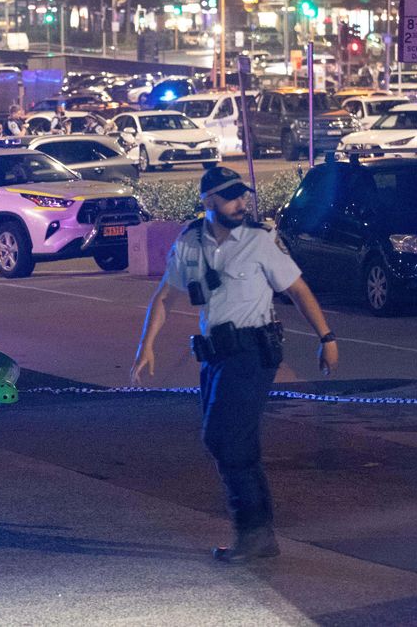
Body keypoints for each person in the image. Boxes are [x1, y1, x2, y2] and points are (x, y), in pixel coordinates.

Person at [130, 166, 338, 563]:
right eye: (232, 197)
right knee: (232, 442)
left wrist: (326, 337)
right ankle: (260, 535)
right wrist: (147, 345)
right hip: (214, 354)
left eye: (244, 195)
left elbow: (297, 288)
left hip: (252, 352)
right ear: (209, 202)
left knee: (223, 437)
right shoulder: (190, 242)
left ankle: (253, 531)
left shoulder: (260, 242)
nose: (243, 203)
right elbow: (165, 296)